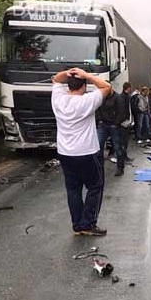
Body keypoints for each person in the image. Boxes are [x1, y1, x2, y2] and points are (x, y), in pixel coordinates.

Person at [51, 67, 111, 236]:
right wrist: (86, 75)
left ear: (68, 85)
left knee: (73, 189)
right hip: (86, 151)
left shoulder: (58, 99)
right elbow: (106, 87)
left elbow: (55, 79)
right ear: (83, 86)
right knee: (95, 186)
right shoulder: (87, 101)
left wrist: (67, 72)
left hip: (65, 153)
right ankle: (88, 223)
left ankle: (77, 225)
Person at [96, 87, 125, 175]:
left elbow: (121, 111)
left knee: (117, 147)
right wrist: (99, 120)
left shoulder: (118, 97)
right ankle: (99, 169)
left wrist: (116, 123)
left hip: (113, 125)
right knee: (98, 146)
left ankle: (120, 167)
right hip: (103, 124)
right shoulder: (102, 97)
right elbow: (97, 109)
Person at [118, 82, 133, 161]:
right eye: (130, 87)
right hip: (124, 122)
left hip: (126, 121)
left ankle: (124, 155)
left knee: (125, 140)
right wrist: (123, 120)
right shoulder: (123, 97)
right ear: (127, 88)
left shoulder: (127, 96)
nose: (131, 89)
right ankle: (123, 156)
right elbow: (122, 110)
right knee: (123, 140)